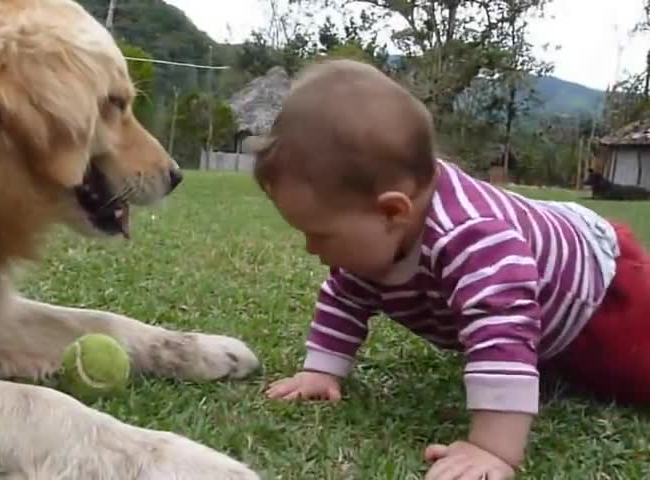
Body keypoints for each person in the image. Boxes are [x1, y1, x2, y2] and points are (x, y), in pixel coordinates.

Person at [250, 58, 650, 480]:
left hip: (603, 293)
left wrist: (491, 448)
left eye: (320, 234)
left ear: (391, 211)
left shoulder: (472, 238)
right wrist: (320, 370)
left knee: (635, 374)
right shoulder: (373, 242)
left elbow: (502, 326)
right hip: (544, 307)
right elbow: (345, 297)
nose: (311, 248)